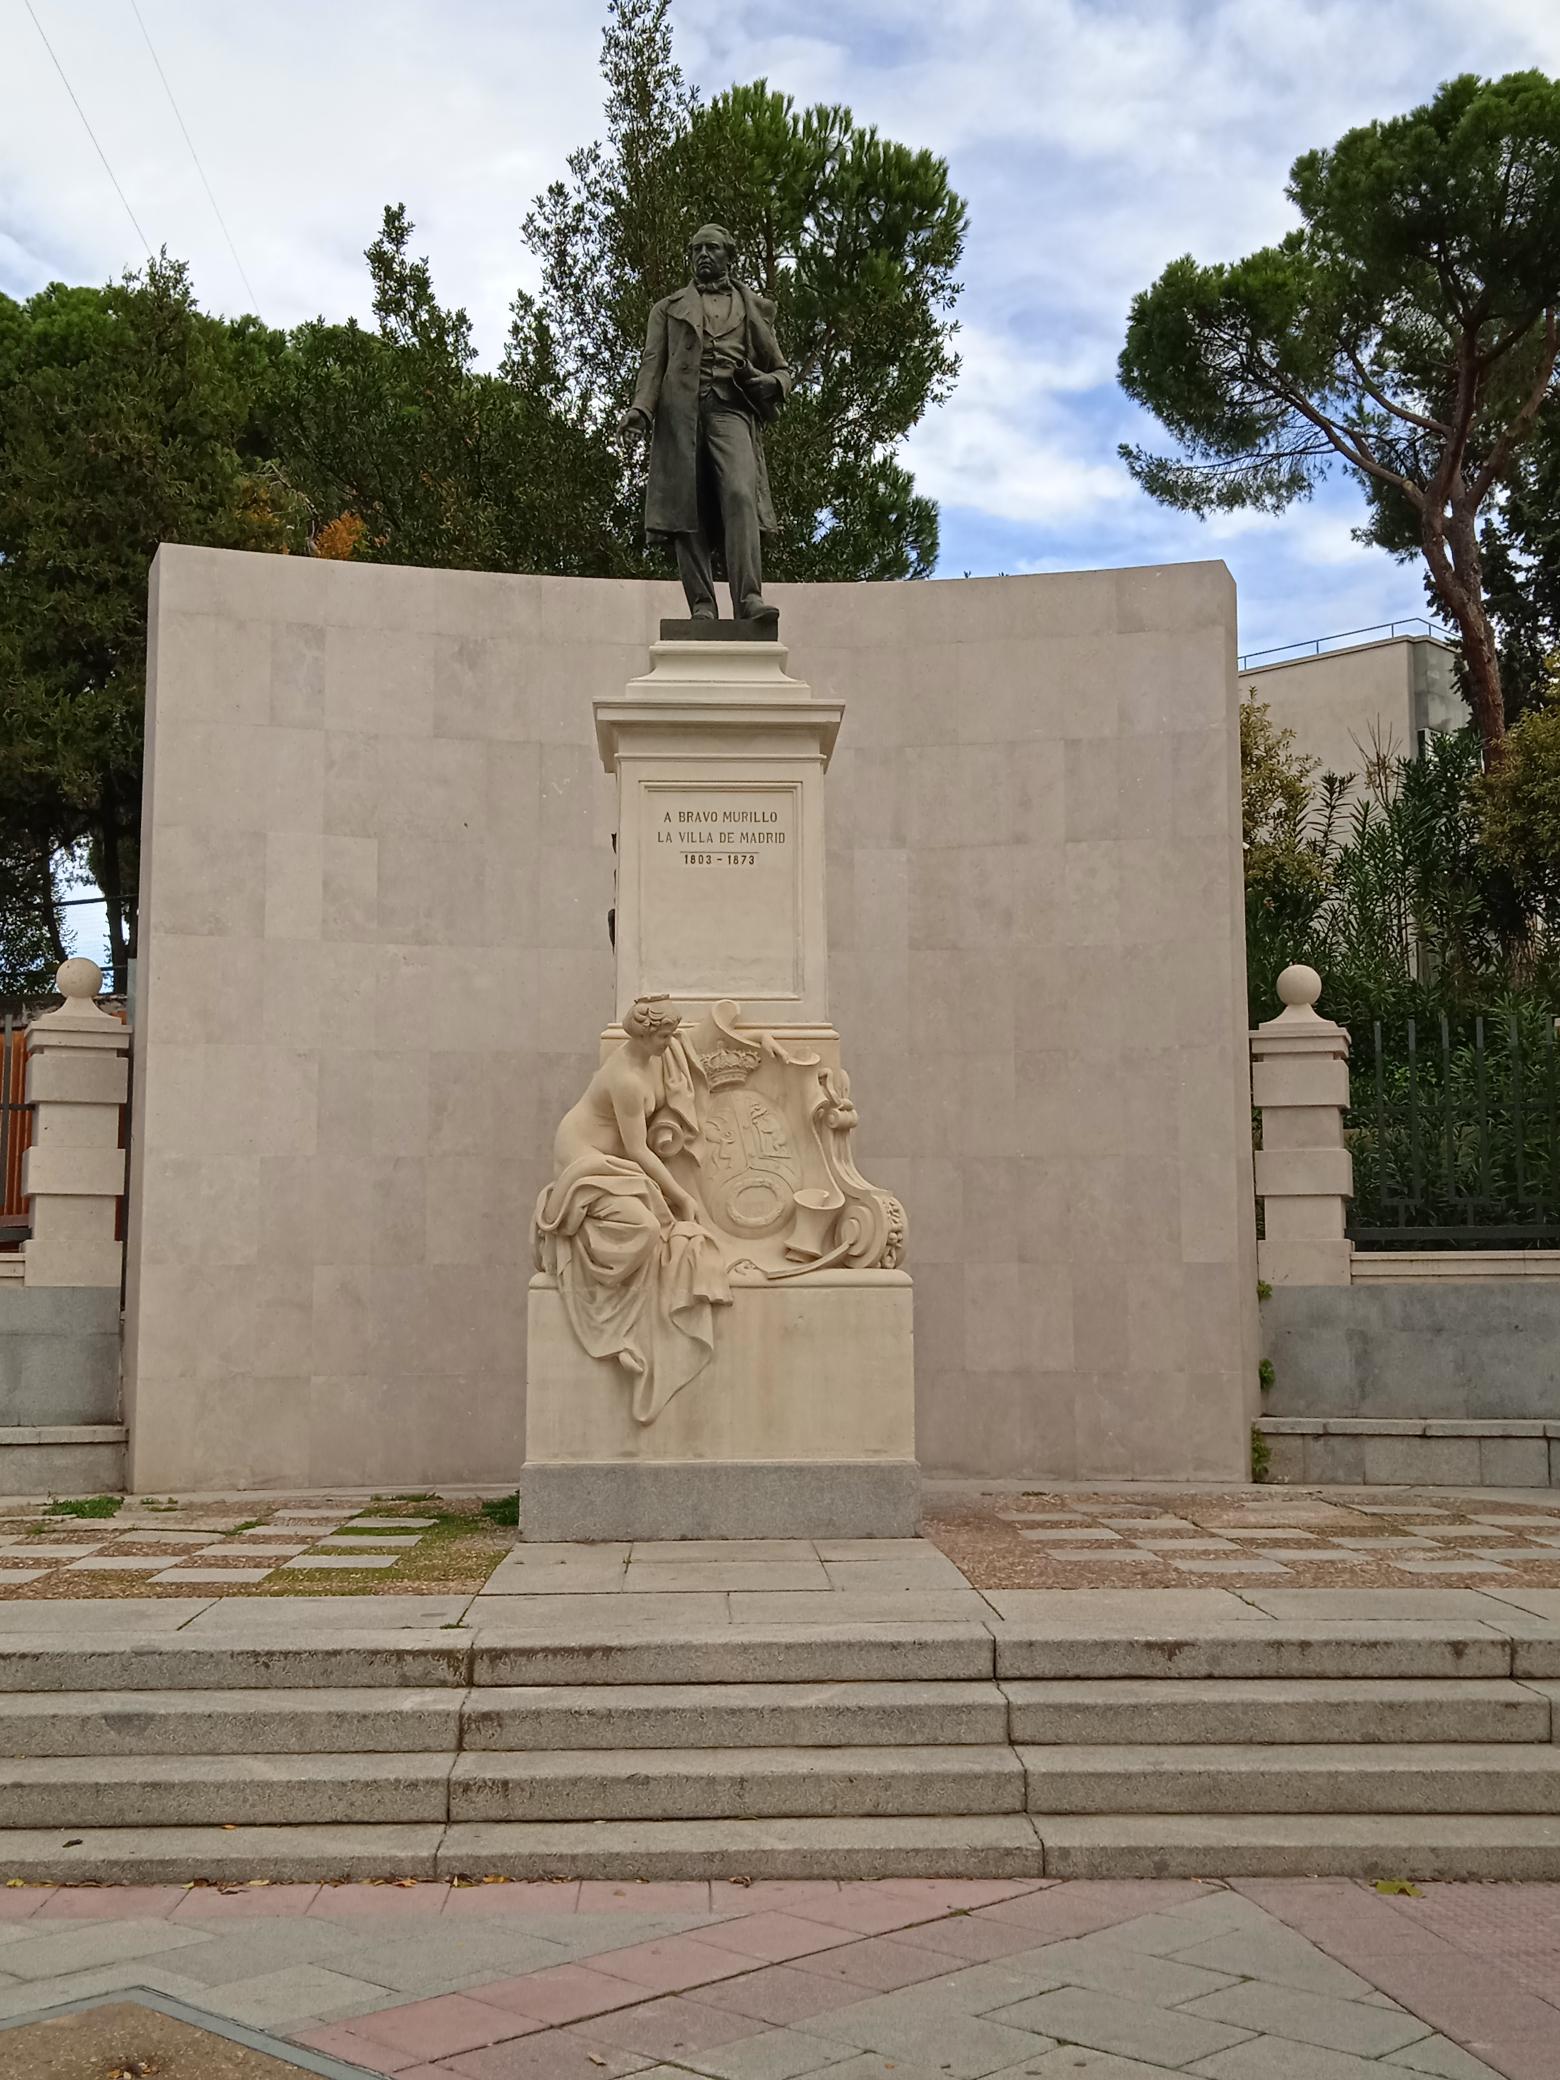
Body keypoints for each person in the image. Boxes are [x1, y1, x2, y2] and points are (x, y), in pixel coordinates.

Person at [533, 996, 730, 1423]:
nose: (670, 1042)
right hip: (585, 1162)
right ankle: (612, 1326)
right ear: (643, 1035)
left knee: (652, 1228)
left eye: (671, 1034)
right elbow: (638, 1150)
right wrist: (681, 1195)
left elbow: (679, 1061)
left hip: (612, 1162)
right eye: (663, 1035)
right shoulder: (625, 1079)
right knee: (645, 1228)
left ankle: (624, 1318)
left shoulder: (658, 1056)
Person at [619, 223, 791, 625]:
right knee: (687, 506)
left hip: (732, 410)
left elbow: (781, 369)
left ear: (730, 256)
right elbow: (652, 363)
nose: (702, 255)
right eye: (696, 249)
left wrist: (771, 383)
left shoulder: (752, 307)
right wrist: (641, 410)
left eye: (711, 248)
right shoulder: (667, 308)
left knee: (740, 494)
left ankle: (749, 598)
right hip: (680, 416)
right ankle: (702, 604)